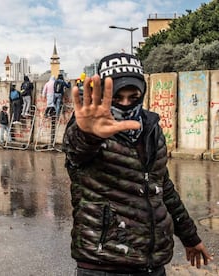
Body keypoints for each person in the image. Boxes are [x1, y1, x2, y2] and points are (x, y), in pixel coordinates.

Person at [63, 52, 213, 275]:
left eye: (133, 97)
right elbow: (75, 154)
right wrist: (88, 136)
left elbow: (164, 189)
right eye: (116, 97)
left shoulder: (152, 128)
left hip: (151, 264)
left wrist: (190, 237)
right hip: (103, 264)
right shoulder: (88, 128)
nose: (125, 104)